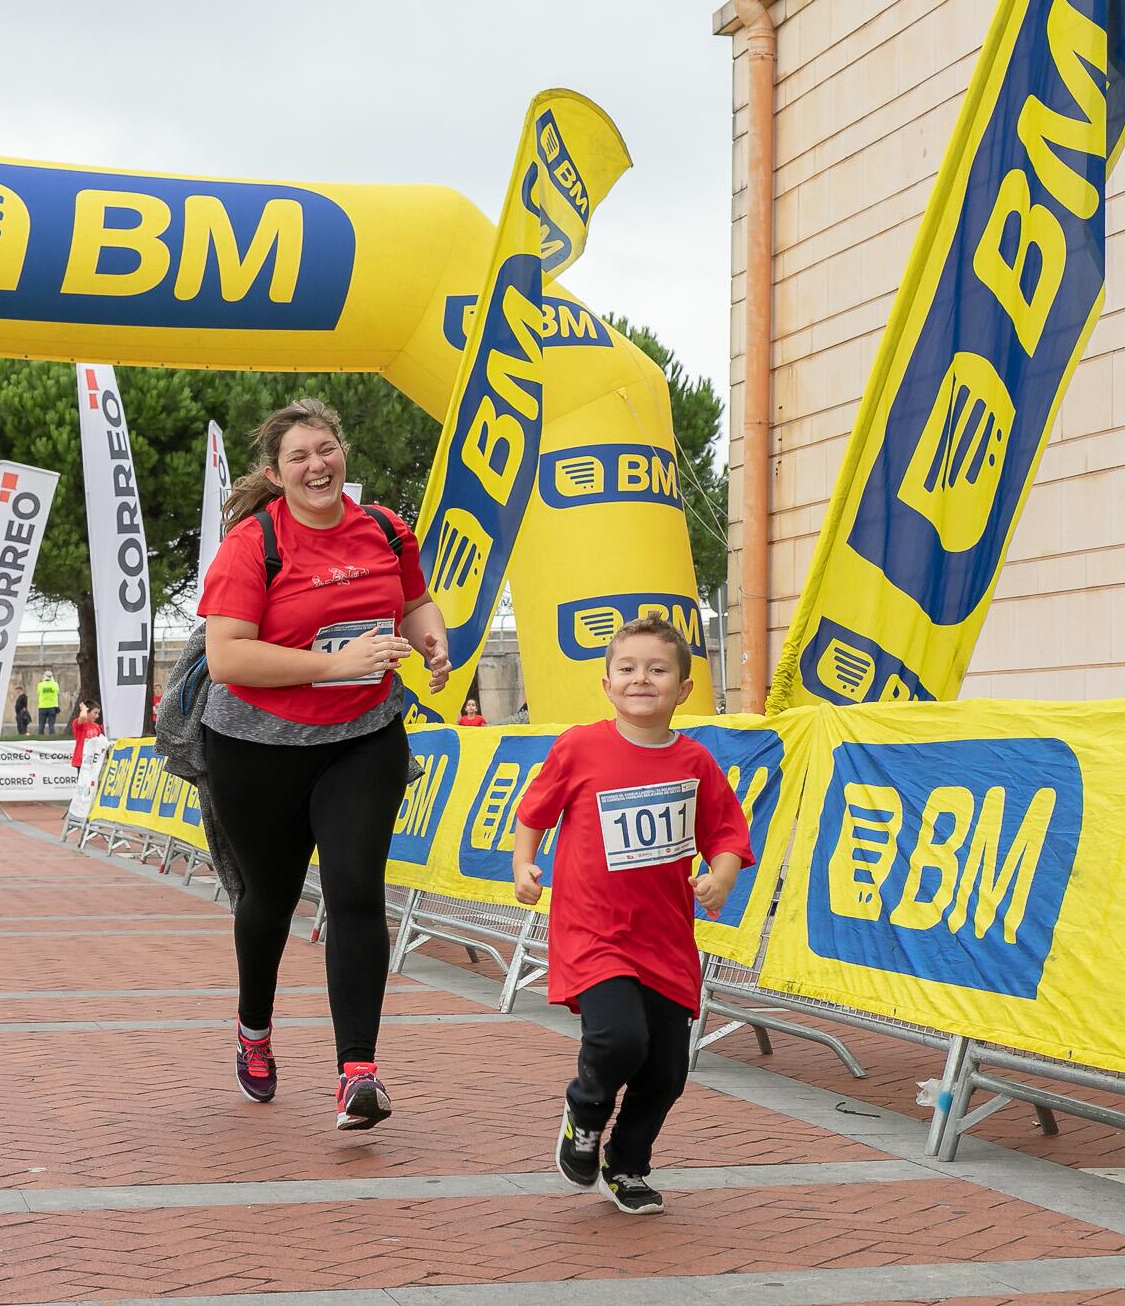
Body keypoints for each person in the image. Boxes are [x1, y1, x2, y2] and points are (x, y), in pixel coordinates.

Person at [199, 397, 449, 1130]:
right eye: (299, 457)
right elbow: (226, 657)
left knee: (355, 892)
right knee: (269, 900)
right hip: (258, 743)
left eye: (326, 448)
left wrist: (430, 638)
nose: (318, 464)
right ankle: (254, 1029)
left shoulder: (383, 528)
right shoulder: (253, 544)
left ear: (343, 453)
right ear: (276, 476)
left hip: (363, 735)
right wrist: (333, 663)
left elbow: (415, 600)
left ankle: (358, 1072)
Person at [511, 614, 753, 1215]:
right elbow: (534, 812)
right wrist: (524, 866)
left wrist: (720, 876)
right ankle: (585, 1109)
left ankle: (627, 1164)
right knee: (619, 1039)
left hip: (666, 936)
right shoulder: (580, 745)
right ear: (606, 683)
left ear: (684, 689)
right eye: (627, 668)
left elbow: (726, 833)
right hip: (593, 930)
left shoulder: (695, 763)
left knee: (668, 1067)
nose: (640, 679)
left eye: (656, 669)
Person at [70, 701, 104, 769]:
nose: (97, 716)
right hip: (82, 761)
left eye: (98, 713)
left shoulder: (96, 726)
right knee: (83, 779)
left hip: (93, 761)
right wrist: (84, 709)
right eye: (95, 713)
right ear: (87, 712)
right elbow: (82, 717)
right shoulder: (79, 724)